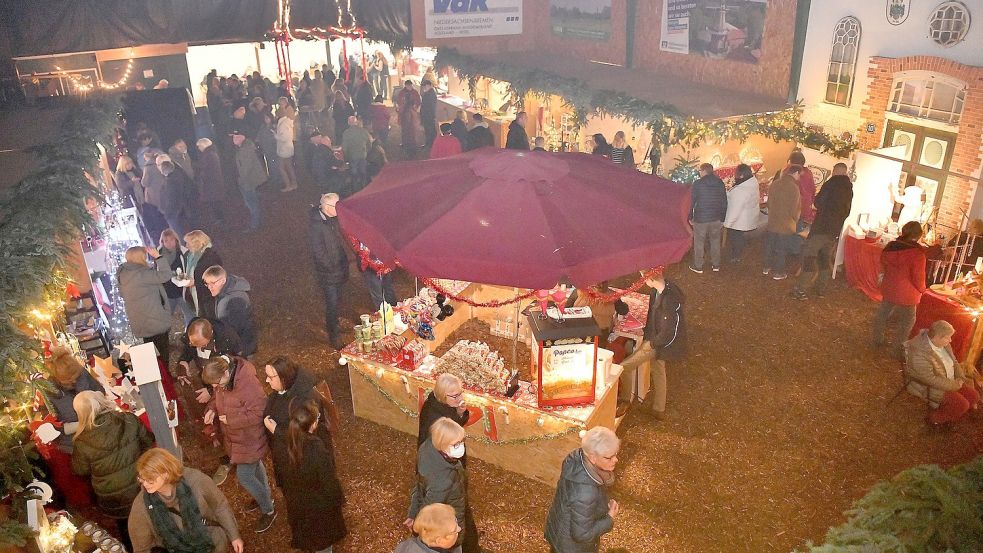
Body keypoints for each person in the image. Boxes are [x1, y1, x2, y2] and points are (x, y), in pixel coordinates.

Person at [202, 355, 276, 533]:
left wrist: (230, 420)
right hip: (238, 438)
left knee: (245, 476)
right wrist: (212, 409)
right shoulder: (224, 381)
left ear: (226, 372)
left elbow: (259, 412)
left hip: (250, 438)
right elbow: (219, 398)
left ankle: (268, 510)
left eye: (216, 383)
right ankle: (266, 499)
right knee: (256, 467)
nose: (215, 387)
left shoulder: (247, 384)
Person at [71, 391, 154, 547]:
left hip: (114, 498)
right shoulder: (128, 419)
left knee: (127, 529)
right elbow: (148, 442)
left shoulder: (81, 441)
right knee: (154, 517)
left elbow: (80, 470)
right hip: (141, 485)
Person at [128, 448, 243, 553]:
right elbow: (142, 547)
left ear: (166, 473)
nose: (145, 484)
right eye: (141, 478)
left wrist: (234, 536)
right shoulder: (141, 506)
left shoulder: (196, 481)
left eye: (150, 479)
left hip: (213, 543)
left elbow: (219, 506)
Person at [271, 400, 347, 553]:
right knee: (323, 545)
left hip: (298, 508)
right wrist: (338, 499)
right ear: (312, 425)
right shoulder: (316, 449)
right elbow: (328, 481)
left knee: (310, 541)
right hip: (319, 510)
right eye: (318, 417)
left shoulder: (286, 446)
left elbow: (281, 477)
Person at [617, 270, 686, 420]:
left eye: (644, 277)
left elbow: (668, 331)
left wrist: (652, 344)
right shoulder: (659, 290)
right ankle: (659, 409)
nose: (643, 280)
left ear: (650, 278)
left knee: (624, 367)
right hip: (656, 339)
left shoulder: (669, 301)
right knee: (658, 370)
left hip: (658, 343)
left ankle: (625, 400)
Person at [41, 349, 104, 507]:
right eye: (69, 380)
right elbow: (49, 427)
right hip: (72, 444)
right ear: (57, 378)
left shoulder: (81, 373)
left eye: (77, 377)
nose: (74, 382)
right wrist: (74, 426)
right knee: (86, 479)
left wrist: (96, 404)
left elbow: (100, 391)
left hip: (95, 433)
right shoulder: (48, 392)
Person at [406, 418, 479, 553]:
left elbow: (420, 486)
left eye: (462, 441)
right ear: (442, 444)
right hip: (447, 524)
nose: (461, 446)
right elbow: (430, 508)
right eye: (456, 444)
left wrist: (413, 512)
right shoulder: (443, 479)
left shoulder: (428, 449)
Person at [544, 427, 620, 553]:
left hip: (561, 530)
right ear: (593, 457)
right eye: (609, 457)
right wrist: (609, 518)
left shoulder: (576, 458)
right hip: (571, 548)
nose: (615, 460)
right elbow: (582, 534)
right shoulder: (585, 493)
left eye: (615, 454)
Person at [792, 162, 854, 300]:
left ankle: (801, 289)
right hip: (834, 230)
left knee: (809, 257)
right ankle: (821, 288)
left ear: (835, 171)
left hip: (821, 227)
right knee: (824, 258)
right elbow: (847, 211)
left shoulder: (830, 184)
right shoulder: (849, 189)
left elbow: (818, 202)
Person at [905, 320, 981, 425]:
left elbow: (954, 362)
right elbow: (930, 379)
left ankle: (951, 411)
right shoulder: (919, 353)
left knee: (974, 396)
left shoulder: (943, 344)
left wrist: (960, 377)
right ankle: (935, 420)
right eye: (947, 337)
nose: (950, 340)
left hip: (949, 381)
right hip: (928, 386)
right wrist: (955, 385)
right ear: (936, 337)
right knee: (962, 405)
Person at [873, 221, 927, 356]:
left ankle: (877, 338)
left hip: (890, 286)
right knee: (907, 321)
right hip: (908, 293)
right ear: (918, 235)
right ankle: (896, 348)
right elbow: (918, 277)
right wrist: (922, 289)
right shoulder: (918, 253)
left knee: (883, 313)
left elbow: (883, 264)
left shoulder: (891, 246)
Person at [262, 356, 340, 444]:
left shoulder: (305, 400)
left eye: (270, 377)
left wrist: (276, 430)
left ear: (283, 377)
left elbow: (304, 433)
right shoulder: (284, 388)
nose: (267, 380)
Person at [117, 245, 175, 362]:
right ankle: (165, 377)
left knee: (150, 350)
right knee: (162, 352)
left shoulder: (123, 273)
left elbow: (122, 294)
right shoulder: (142, 273)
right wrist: (158, 257)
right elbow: (166, 275)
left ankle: (156, 375)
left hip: (140, 319)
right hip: (154, 318)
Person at [309, 193, 350, 349]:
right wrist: (332, 267)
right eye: (336, 206)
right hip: (329, 274)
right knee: (332, 304)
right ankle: (334, 335)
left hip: (339, 269)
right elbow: (318, 253)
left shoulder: (331, 219)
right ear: (326, 207)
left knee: (338, 300)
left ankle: (336, 324)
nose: (339, 209)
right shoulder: (316, 226)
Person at [202, 265, 257, 357]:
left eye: (213, 283)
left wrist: (225, 348)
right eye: (207, 283)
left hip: (241, 349)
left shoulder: (234, 301)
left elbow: (232, 330)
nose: (209, 287)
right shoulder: (225, 291)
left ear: (223, 280)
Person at [762, 165, 803, 280]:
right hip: (786, 224)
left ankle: (766, 267)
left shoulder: (775, 183)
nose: (799, 177)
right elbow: (795, 209)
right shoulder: (794, 188)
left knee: (769, 245)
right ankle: (778, 272)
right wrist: (795, 219)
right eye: (799, 174)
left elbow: (769, 203)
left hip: (773, 221)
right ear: (795, 173)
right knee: (781, 249)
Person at [689, 163, 728, 274]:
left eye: (700, 171)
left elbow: (692, 202)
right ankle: (716, 265)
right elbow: (724, 202)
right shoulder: (720, 183)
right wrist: (723, 218)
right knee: (715, 241)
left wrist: (690, 216)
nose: (699, 173)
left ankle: (698, 266)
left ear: (704, 171)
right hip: (716, 218)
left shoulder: (698, 184)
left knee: (699, 242)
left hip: (701, 218)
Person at [418, 374, 470, 449]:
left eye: (461, 393)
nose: (460, 398)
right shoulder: (434, 418)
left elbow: (456, 424)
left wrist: (460, 413)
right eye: (455, 396)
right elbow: (440, 445)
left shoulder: (446, 403)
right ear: (442, 395)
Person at [723, 163, 760, 263]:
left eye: (737, 173)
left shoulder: (741, 190)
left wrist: (728, 223)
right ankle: (737, 253)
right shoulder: (752, 184)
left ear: (742, 175)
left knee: (736, 237)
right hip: (746, 217)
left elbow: (735, 209)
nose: (735, 175)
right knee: (739, 236)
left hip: (739, 220)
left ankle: (736, 256)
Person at [183, 230, 223, 319]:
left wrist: (195, 282)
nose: (186, 246)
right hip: (201, 295)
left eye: (188, 243)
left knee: (211, 319)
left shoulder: (210, 257)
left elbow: (215, 278)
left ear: (197, 243)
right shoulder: (192, 256)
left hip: (209, 296)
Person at [158, 229, 194, 327]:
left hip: (183, 290)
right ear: (162, 242)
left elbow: (189, 269)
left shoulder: (183, 252)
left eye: (171, 240)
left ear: (176, 240)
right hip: (168, 291)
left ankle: (189, 336)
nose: (169, 243)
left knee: (190, 316)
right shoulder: (159, 255)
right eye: (166, 241)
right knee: (165, 316)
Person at [232, 130, 265, 230]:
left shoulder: (244, 149)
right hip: (250, 179)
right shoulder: (245, 146)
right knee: (252, 200)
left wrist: (241, 181)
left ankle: (255, 224)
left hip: (248, 181)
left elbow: (245, 168)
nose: (233, 139)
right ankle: (258, 220)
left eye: (236, 137)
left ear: (242, 137)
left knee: (251, 202)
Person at [395, 503, 462, 553]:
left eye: (456, 521)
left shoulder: (405, 545)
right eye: (454, 531)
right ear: (439, 541)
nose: (459, 529)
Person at [158, 160, 193, 238]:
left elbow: (170, 199)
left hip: (173, 212)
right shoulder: (176, 176)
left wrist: (167, 213)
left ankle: (184, 247)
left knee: (178, 233)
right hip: (178, 210)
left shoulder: (170, 182)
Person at [195, 138, 226, 224]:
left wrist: (201, 177)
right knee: (216, 202)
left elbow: (207, 171)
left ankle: (220, 219)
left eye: (199, 146)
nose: (198, 148)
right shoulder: (211, 153)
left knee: (215, 203)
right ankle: (219, 218)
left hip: (212, 184)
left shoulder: (208, 155)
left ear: (204, 145)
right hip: (214, 183)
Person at [342, 115, 373, 186]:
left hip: (352, 156)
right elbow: (369, 143)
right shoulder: (364, 131)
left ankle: (355, 188)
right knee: (363, 171)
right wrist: (366, 151)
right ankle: (364, 186)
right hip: (363, 154)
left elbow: (344, 148)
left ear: (348, 123)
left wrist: (346, 156)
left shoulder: (346, 133)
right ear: (356, 122)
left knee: (354, 172)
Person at [395, 80, 422, 156]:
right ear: (405, 85)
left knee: (412, 129)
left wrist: (415, 106)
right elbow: (399, 102)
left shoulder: (414, 92)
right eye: (408, 86)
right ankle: (405, 142)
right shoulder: (402, 93)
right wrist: (400, 108)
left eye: (410, 86)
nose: (409, 87)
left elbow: (418, 101)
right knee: (404, 128)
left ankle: (413, 143)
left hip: (411, 113)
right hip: (404, 113)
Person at [275, 110, 298, 192]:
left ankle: (288, 185)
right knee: (289, 166)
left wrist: (276, 136)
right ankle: (294, 183)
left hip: (284, 149)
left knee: (281, 168)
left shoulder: (282, 124)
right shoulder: (288, 122)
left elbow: (284, 138)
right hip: (289, 147)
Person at [420, 80, 438, 149]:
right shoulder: (429, 93)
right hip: (427, 115)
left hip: (429, 115)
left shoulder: (430, 94)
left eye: (426, 86)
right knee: (428, 130)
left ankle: (432, 145)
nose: (424, 87)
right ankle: (429, 143)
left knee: (431, 131)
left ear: (429, 85)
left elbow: (430, 106)